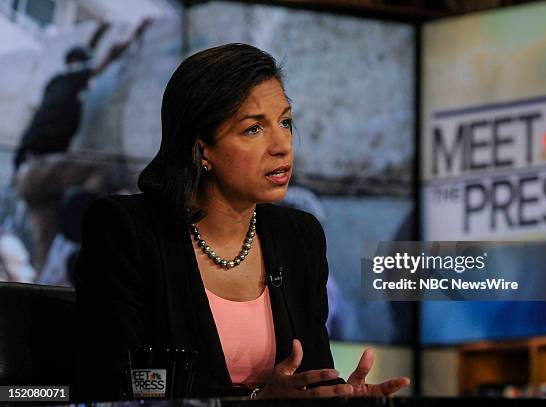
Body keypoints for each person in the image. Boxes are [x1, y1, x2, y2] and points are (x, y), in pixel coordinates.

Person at [75, 43, 410, 402]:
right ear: (201, 149)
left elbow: (310, 378)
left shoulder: (299, 237)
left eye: (285, 122)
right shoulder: (126, 230)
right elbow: (117, 383)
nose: (282, 145)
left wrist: (340, 397)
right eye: (253, 129)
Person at [12, 19, 150, 272]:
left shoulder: (55, 84)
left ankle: (46, 291)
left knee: (46, 248)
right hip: (43, 167)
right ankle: (94, 227)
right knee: (107, 171)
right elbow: (103, 60)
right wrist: (132, 36)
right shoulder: (72, 79)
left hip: (26, 177)